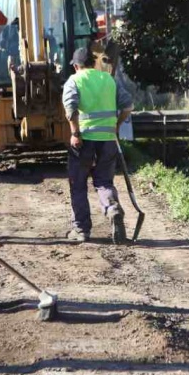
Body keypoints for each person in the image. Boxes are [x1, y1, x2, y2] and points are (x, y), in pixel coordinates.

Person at [62, 45, 133, 242]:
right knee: (104, 182)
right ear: (94, 63)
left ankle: (81, 230)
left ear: (76, 66)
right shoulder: (109, 80)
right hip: (108, 140)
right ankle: (113, 209)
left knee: (78, 185)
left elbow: (70, 109)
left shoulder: (74, 80)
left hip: (83, 141)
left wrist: (75, 133)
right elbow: (128, 106)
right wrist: (116, 127)